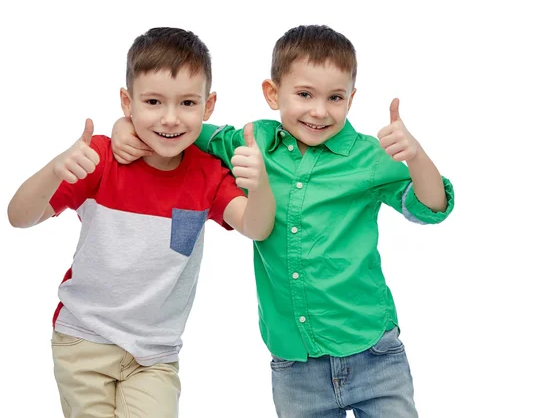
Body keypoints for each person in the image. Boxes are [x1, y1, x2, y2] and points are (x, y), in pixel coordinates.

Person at [111, 24, 454, 417]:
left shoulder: (368, 157)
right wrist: (123, 126)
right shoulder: (252, 141)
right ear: (273, 94)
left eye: (335, 97)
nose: (319, 110)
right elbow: (177, 133)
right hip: (295, 363)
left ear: (351, 99)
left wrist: (416, 155)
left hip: (373, 351)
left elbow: (432, 208)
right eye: (304, 94)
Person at [7, 27, 276, 418]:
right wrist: (55, 170)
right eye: (153, 101)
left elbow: (257, 227)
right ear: (126, 102)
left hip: (155, 356)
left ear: (208, 105)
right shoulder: (99, 157)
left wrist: (261, 185)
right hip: (83, 341)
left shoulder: (207, 173)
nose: (170, 118)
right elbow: (18, 217)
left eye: (187, 102)